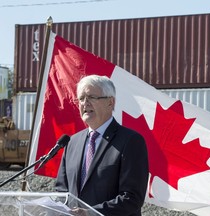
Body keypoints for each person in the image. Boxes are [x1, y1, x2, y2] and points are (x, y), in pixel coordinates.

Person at [55, 75, 149, 216]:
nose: (85, 103)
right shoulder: (72, 142)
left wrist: (91, 213)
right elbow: (61, 192)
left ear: (110, 102)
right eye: (81, 98)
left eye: (92, 97)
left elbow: (132, 198)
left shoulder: (130, 141)